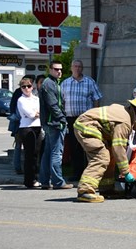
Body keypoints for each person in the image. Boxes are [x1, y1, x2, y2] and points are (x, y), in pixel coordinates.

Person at [73, 96, 136, 202]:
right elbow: (118, 148)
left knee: (110, 157)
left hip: (89, 126)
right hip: (86, 127)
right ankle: (85, 191)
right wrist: (126, 172)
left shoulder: (126, 114)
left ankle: (107, 189)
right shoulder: (124, 122)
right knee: (101, 157)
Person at [61, 59, 103, 181]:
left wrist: (95, 114)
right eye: (75, 66)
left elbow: (96, 98)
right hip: (71, 119)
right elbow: (62, 101)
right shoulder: (65, 83)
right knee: (74, 146)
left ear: (82, 68)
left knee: (87, 146)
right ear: (71, 68)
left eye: (80, 66)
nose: (77, 68)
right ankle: (76, 173)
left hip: (86, 119)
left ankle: (89, 173)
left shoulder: (89, 82)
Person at [38, 60, 73, 190]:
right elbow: (53, 105)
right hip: (54, 123)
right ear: (50, 70)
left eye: (60, 69)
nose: (59, 72)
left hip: (52, 123)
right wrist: (63, 120)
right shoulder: (48, 84)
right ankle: (58, 182)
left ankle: (45, 181)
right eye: (56, 69)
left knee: (48, 153)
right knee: (56, 153)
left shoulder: (54, 83)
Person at [16, 77, 43, 188]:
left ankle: (35, 177)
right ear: (21, 88)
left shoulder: (36, 99)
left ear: (33, 87)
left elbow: (41, 112)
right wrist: (35, 113)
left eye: (29, 86)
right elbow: (31, 114)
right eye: (24, 87)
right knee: (29, 155)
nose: (27, 89)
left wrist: (36, 113)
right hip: (26, 128)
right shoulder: (21, 100)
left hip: (37, 127)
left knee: (36, 154)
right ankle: (29, 180)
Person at [9, 75, 35, 174]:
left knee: (20, 146)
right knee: (19, 146)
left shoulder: (22, 93)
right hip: (19, 123)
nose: (27, 87)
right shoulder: (19, 94)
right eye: (25, 85)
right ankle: (18, 167)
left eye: (29, 85)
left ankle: (20, 167)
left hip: (23, 123)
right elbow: (13, 108)